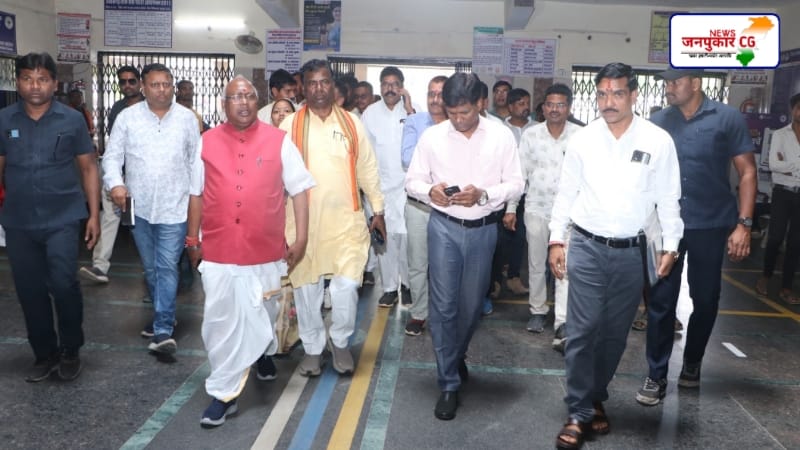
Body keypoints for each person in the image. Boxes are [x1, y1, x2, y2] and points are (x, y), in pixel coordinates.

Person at [548, 62, 682, 449]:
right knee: (582, 331)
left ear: (634, 95)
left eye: (617, 93)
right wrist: (556, 240)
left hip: (631, 253)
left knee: (614, 335)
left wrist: (671, 245)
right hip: (587, 246)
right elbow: (566, 193)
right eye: (603, 94)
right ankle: (578, 411)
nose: (608, 102)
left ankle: (595, 396)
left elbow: (669, 198)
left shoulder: (658, 140)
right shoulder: (584, 140)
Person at [186, 76, 314, 428]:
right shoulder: (206, 141)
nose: (242, 102)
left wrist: (301, 239)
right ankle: (223, 394)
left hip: (265, 250)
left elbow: (300, 191)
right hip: (219, 249)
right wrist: (192, 240)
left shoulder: (280, 141)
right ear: (223, 104)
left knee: (263, 313)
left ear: (258, 102)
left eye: (248, 96)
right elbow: (196, 193)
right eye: (235, 97)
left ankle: (260, 353)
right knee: (220, 322)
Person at [406, 72, 524, 421]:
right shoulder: (432, 137)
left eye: (465, 113)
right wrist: (430, 191)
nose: (457, 120)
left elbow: (516, 183)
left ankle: (455, 355)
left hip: (483, 231)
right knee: (443, 307)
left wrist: (484, 194)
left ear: (481, 104)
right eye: (452, 113)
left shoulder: (501, 136)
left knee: (471, 307)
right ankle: (448, 383)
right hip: (443, 228)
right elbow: (412, 181)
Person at [636, 68, 756, 406]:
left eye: (675, 82)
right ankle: (656, 374)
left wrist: (744, 224)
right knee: (660, 301)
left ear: (696, 83)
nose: (668, 88)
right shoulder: (657, 122)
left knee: (705, 299)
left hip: (710, 224)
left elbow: (747, 171)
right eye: (666, 83)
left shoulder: (727, 118)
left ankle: (692, 362)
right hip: (666, 226)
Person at [279, 59, 385, 377]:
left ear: (333, 84)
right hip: (303, 225)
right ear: (304, 87)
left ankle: (340, 342)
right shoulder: (289, 126)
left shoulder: (352, 123)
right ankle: (313, 348)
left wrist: (378, 210)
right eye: (312, 83)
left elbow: (367, 168)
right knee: (307, 289)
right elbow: (274, 175)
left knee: (346, 286)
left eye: (324, 81)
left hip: (346, 223)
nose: (319, 88)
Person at [0, 52, 100, 382]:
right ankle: (44, 353)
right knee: (29, 290)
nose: (35, 85)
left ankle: (71, 349)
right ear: (18, 82)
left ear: (54, 83)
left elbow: (88, 167)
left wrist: (94, 215)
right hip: (19, 221)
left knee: (63, 283)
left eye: (42, 79)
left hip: (63, 218)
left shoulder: (71, 120)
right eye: (28, 78)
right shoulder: (4, 120)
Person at [103, 63, 202, 356]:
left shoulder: (187, 119)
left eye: (166, 84)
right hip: (138, 208)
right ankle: (165, 313)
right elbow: (112, 157)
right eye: (155, 85)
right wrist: (116, 184)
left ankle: (162, 330)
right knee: (150, 268)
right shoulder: (127, 118)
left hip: (176, 206)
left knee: (167, 265)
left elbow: (195, 162)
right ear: (144, 88)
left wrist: (198, 204)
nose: (162, 90)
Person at [507, 83, 581, 347]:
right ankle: (538, 311)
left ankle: (562, 321)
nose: (554, 109)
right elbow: (520, 174)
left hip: (569, 215)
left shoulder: (580, 137)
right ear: (543, 107)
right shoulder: (531, 135)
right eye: (550, 104)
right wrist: (511, 207)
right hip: (536, 208)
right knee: (537, 263)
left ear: (568, 107)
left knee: (564, 267)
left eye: (560, 105)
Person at [79, 66, 145, 285]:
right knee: (110, 216)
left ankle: (151, 270)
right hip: (117, 176)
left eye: (132, 81)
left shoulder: (150, 107)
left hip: (143, 177)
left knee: (143, 222)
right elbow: (116, 144)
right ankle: (100, 266)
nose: (127, 85)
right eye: (123, 81)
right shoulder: (117, 108)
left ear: (140, 83)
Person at [361, 66, 416, 308]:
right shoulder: (370, 114)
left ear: (402, 86)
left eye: (395, 84)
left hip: (408, 188)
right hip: (380, 188)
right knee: (384, 240)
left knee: (408, 240)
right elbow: (365, 154)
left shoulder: (414, 111)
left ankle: (408, 285)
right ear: (380, 87)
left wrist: (410, 109)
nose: (390, 88)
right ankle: (390, 288)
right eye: (385, 84)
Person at [401, 75, 448, 336]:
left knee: (446, 264)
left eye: (440, 94)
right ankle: (419, 313)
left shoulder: (459, 125)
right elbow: (407, 158)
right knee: (418, 262)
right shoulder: (415, 122)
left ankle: (444, 314)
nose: (435, 99)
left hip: (449, 207)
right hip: (419, 205)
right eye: (431, 93)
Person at [756, 92, 800, 304]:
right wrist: (795, 166)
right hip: (783, 192)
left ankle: (786, 287)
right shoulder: (781, 135)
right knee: (775, 237)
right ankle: (765, 277)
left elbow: (782, 165)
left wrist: (788, 165)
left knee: (795, 242)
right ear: (792, 110)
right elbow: (774, 165)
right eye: (799, 108)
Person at [499, 88, 534, 296]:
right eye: (520, 104)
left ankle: (514, 277)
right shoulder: (500, 130)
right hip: (503, 192)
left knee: (520, 237)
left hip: (527, 193)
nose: (525, 107)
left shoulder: (536, 129)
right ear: (510, 107)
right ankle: (495, 281)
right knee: (500, 239)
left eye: (527, 103)